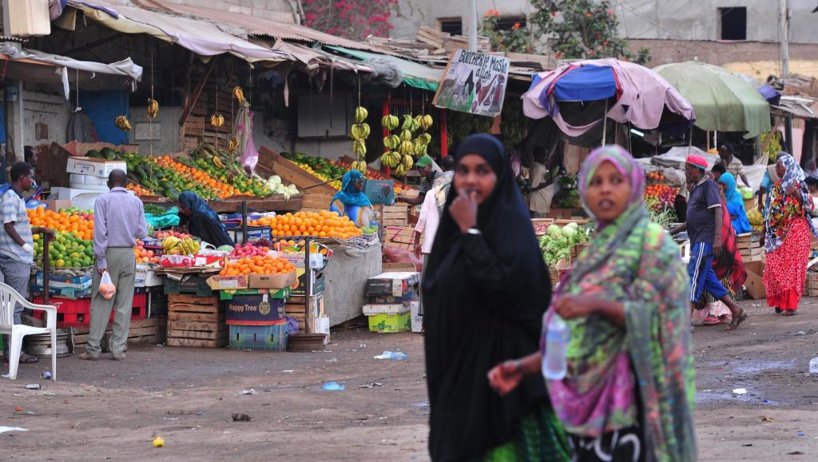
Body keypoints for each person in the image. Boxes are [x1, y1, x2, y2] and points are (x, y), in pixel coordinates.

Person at [488, 145, 697, 462]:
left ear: (633, 186)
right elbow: (573, 336)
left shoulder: (653, 245)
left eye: (616, 180)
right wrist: (523, 366)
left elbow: (660, 317)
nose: (605, 189)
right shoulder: (597, 250)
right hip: (583, 414)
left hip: (634, 411)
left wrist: (594, 305)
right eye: (596, 182)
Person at [423, 134, 569, 461]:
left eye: (483, 171)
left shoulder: (511, 227)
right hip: (458, 375)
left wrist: (473, 233)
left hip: (504, 385)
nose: (471, 180)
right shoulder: (451, 231)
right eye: (463, 170)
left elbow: (509, 290)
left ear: (500, 176)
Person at [670, 154, 748, 331]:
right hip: (698, 238)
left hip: (705, 240)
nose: (686, 172)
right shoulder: (696, 188)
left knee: (693, 277)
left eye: (688, 169)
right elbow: (692, 219)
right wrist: (672, 232)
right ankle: (736, 310)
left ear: (697, 170)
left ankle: (686, 320)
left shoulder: (709, 186)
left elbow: (718, 211)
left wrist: (717, 238)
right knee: (707, 281)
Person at [80, 170, 148, 361]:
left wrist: (101, 260)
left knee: (102, 301)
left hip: (108, 255)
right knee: (124, 304)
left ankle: (93, 349)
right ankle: (118, 349)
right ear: (126, 183)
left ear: (109, 184)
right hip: (128, 255)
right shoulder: (136, 201)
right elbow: (142, 232)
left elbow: (100, 232)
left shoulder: (102, 200)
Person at [0, 162, 53, 364]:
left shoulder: (16, 198)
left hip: (16, 257)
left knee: (12, 306)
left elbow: (16, 226)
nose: (33, 181)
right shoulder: (11, 198)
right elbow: (8, 225)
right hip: (14, 259)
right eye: (30, 177)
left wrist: (39, 230)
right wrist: (24, 246)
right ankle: (15, 353)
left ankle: (12, 352)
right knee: (15, 307)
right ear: (22, 178)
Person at [762, 154, 818, 316]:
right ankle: (780, 301)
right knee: (774, 266)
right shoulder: (777, 186)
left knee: (792, 269)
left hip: (796, 230)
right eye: (776, 166)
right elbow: (771, 209)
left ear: (788, 167)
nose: (777, 169)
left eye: (780, 166)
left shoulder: (799, 184)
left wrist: (796, 194)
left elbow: (809, 205)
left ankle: (791, 304)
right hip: (777, 233)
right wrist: (765, 230)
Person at [412, 156, 455, 262]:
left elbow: (422, 219)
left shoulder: (431, 193)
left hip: (432, 246)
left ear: (442, 169)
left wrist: (416, 241)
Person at [528, 146, 561, 217]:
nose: (547, 158)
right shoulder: (537, 167)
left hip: (542, 202)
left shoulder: (541, 166)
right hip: (537, 202)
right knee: (536, 224)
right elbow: (534, 186)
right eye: (545, 155)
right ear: (538, 156)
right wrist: (549, 182)